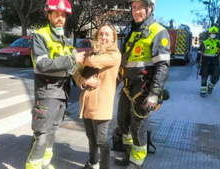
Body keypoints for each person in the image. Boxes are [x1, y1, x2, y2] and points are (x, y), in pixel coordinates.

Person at [25, 0, 84, 169]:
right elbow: (42, 64)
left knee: (52, 131)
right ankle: (33, 165)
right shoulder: (40, 35)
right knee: (42, 134)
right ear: (48, 15)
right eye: (57, 14)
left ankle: (45, 163)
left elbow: (72, 68)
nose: (60, 18)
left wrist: (84, 79)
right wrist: (72, 58)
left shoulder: (66, 39)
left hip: (62, 93)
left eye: (63, 15)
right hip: (47, 92)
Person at [116, 0, 170, 168]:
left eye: (140, 7)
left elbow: (162, 66)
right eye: (134, 7)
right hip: (127, 87)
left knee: (138, 127)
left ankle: (136, 162)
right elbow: (125, 61)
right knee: (123, 122)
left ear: (149, 8)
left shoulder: (158, 31)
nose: (136, 11)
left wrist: (154, 94)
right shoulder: (132, 31)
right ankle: (128, 153)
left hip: (144, 90)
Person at [73, 23, 121, 169]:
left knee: (102, 141)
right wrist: (84, 80)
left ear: (113, 38)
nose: (103, 37)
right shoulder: (91, 53)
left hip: (102, 105)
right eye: (101, 34)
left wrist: (77, 57)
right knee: (91, 138)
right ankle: (93, 162)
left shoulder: (114, 55)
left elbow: (93, 62)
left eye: (107, 34)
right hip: (87, 104)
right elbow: (76, 72)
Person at [196, 26, 220, 97]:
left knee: (216, 77)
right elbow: (199, 52)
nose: (213, 34)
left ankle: (210, 86)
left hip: (215, 61)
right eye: (212, 33)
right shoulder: (205, 42)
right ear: (209, 34)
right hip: (205, 61)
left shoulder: (219, 43)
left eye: (214, 33)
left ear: (217, 34)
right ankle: (203, 91)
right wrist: (197, 62)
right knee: (204, 77)